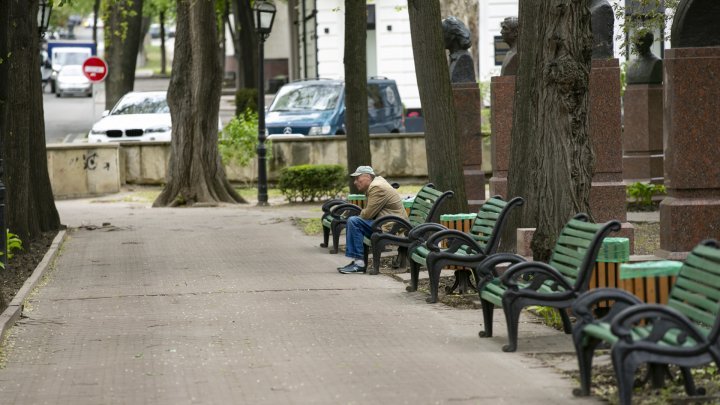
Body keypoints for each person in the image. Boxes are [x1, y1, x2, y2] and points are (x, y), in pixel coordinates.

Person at [337, 166, 408, 274]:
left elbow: (367, 214)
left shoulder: (377, 187)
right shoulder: (376, 184)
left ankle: (359, 264)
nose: (355, 182)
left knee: (353, 221)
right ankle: (358, 262)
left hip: (391, 227)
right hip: (387, 223)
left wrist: (360, 213)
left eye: (358, 178)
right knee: (354, 221)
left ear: (367, 176)